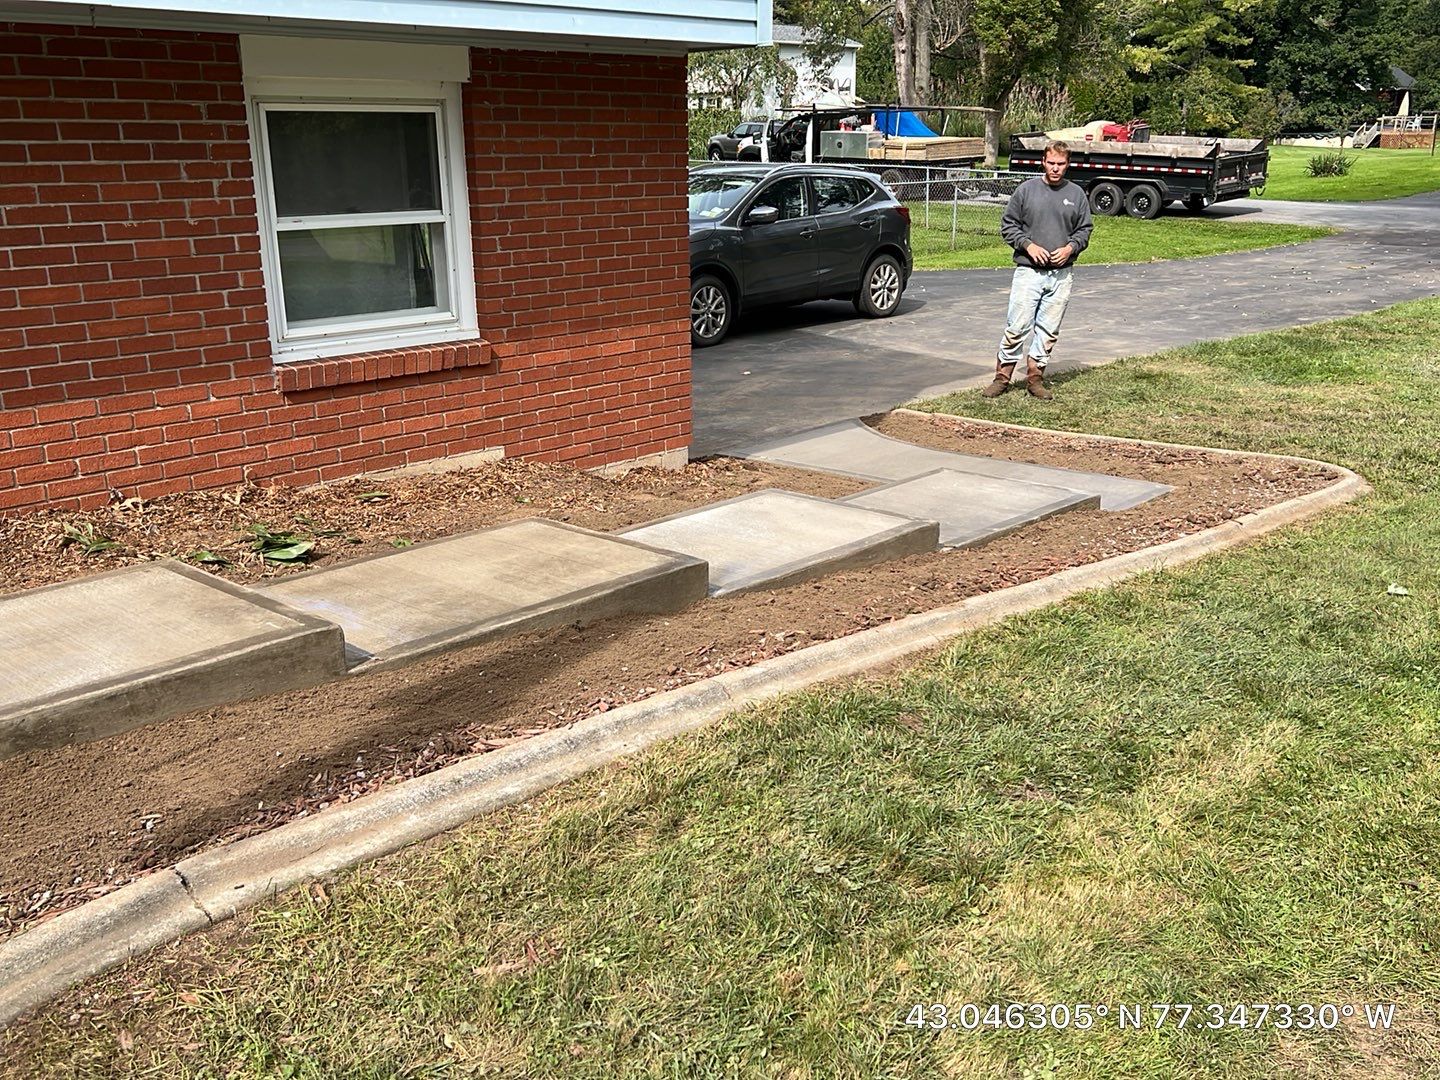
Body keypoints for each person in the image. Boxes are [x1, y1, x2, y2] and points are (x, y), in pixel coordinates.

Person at [984, 140, 1093, 400]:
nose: (1055, 168)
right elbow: (1009, 226)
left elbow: (1085, 230)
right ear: (1043, 162)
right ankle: (1002, 377)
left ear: (1068, 165)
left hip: (1061, 275)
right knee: (1017, 326)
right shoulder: (1026, 191)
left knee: (1048, 329)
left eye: (1061, 164)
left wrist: (1070, 248)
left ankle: (1035, 377)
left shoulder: (1076, 194)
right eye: (1051, 163)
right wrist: (1028, 246)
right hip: (1028, 272)